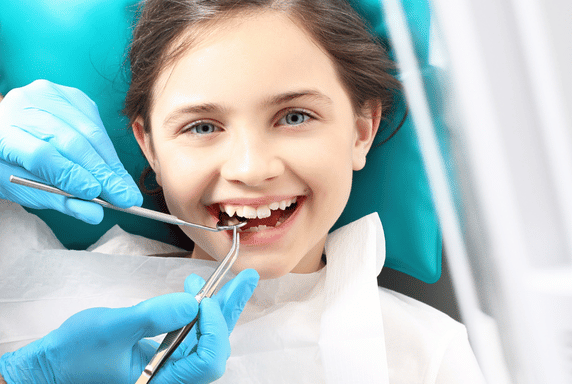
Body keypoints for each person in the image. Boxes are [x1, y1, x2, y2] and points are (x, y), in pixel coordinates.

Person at [0, 0, 486, 382]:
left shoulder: (426, 355)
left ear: (362, 130)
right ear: (148, 147)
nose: (251, 170)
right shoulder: (23, 277)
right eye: (203, 127)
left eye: (295, 117)